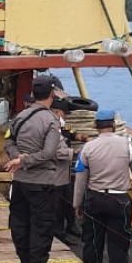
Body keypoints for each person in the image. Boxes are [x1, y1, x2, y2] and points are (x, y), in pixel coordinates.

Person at [4, 74, 71, 263]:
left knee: (19, 223)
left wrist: (18, 159)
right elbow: (50, 153)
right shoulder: (50, 120)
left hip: (21, 182)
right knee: (41, 226)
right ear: (51, 95)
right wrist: (25, 160)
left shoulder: (20, 117)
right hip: (42, 182)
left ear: (33, 94)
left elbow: (8, 142)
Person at [74, 109, 132, 263]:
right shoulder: (128, 146)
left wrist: (78, 204)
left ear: (95, 126)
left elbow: (81, 178)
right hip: (119, 201)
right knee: (119, 243)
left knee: (92, 241)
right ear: (113, 125)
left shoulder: (88, 148)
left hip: (95, 199)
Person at [51, 96, 83, 246]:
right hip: (54, 174)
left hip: (65, 173)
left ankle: (72, 226)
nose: (65, 117)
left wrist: (88, 139)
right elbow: (53, 152)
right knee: (56, 207)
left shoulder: (64, 127)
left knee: (68, 201)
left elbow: (75, 134)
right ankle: (59, 235)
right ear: (57, 112)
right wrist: (74, 153)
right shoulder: (50, 128)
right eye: (64, 114)